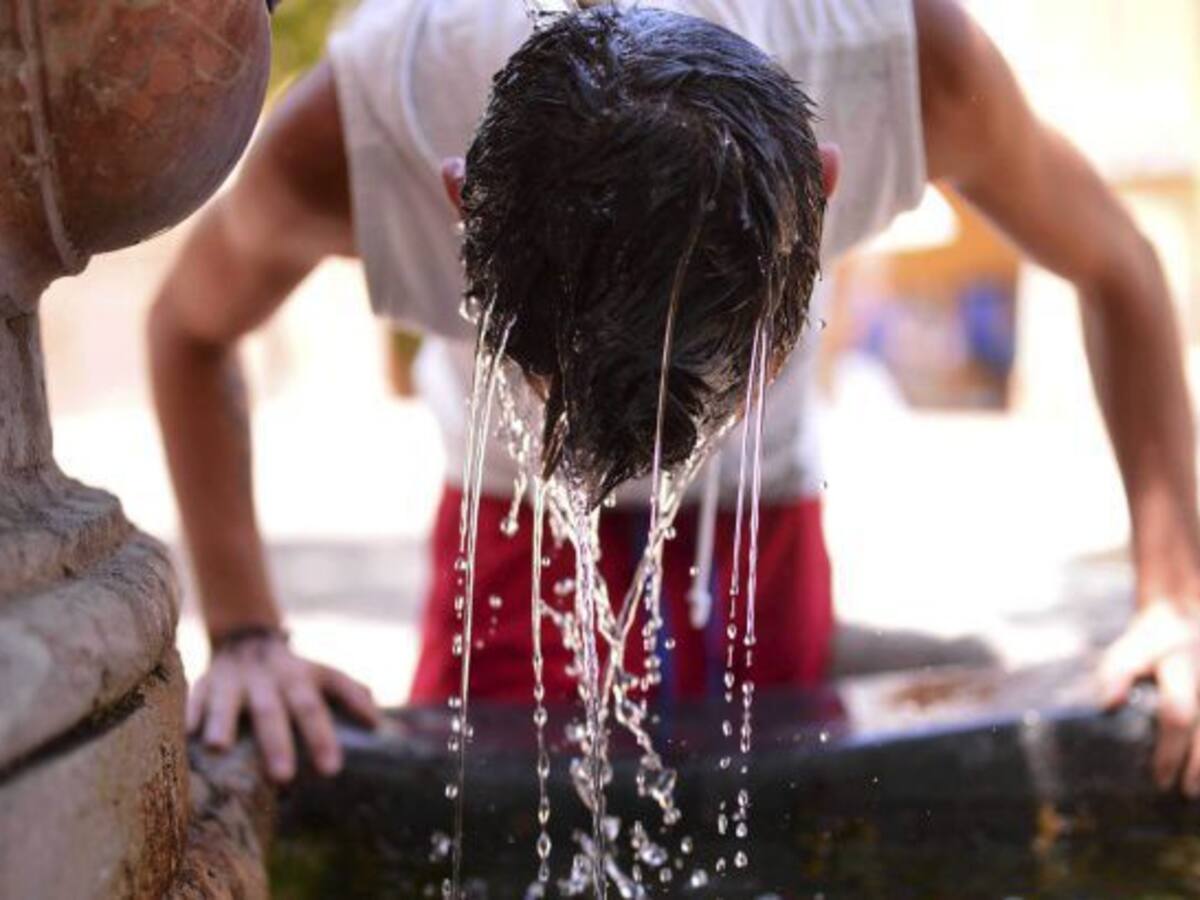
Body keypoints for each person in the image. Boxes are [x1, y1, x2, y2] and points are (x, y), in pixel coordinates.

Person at [150, 0, 1200, 797]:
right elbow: (189, 330)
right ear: (459, 204)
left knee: (792, 820)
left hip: (764, 524)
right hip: (517, 526)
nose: (659, 456)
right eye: (551, 376)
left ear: (820, 192)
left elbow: (1120, 267)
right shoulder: (367, 119)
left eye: (727, 381)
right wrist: (246, 633)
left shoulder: (904, 67)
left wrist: (1176, 599)